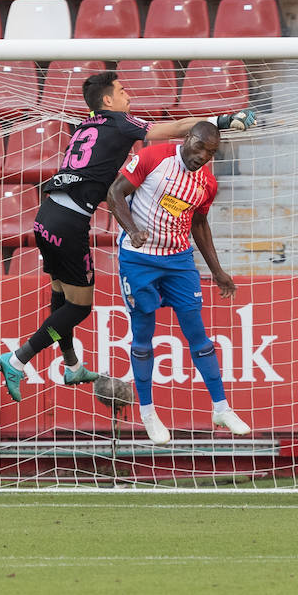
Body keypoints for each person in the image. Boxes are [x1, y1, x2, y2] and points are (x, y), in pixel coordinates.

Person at [0, 71, 256, 402]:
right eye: (122, 91)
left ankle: (72, 364)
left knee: (61, 295)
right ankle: (18, 359)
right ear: (108, 101)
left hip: (46, 216)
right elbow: (177, 129)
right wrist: (224, 119)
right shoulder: (120, 122)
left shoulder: (84, 126)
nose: (128, 96)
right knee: (79, 309)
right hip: (70, 223)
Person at [106, 121, 251, 444]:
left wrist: (217, 270)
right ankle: (147, 412)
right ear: (187, 139)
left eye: (210, 153)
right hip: (139, 259)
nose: (202, 156)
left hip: (178, 260)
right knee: (143, 335)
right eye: (199, 147)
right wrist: (132, 230)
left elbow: (199, 224)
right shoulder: (152, 158)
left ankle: (221, 407)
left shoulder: (207, 183)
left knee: (197, 334)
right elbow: (114, 193)